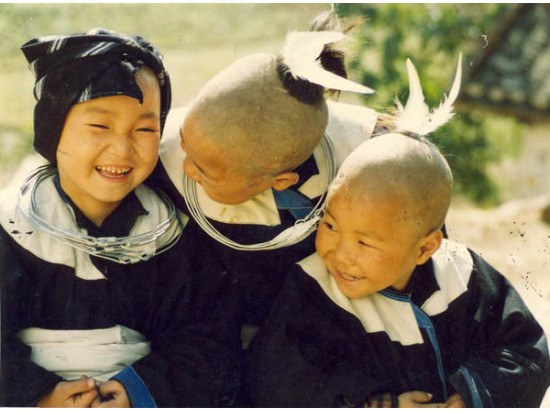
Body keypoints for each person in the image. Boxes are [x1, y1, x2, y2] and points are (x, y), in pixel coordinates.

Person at [243, 59, 550, 407]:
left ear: (425, 249)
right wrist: (379, 402)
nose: (340, 252)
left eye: (364, 242)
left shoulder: (461, 275)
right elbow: (277, 379)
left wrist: (468, 396)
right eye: (330, 225)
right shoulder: (313, 287)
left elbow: (527, 352)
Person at [0, 28, 241, 407]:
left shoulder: (172, 236)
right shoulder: (11, 226)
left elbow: (206, 340)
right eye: (100, 126)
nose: (122, 148)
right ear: (53, 128)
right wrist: (39, 395)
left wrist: (139, 390)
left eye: (145, 128)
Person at [149, 11, 379, 342]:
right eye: (185, 144)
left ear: (280, 181)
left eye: (205, 171)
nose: (186, 168)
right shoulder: (159, 161)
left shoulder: (371, 160)